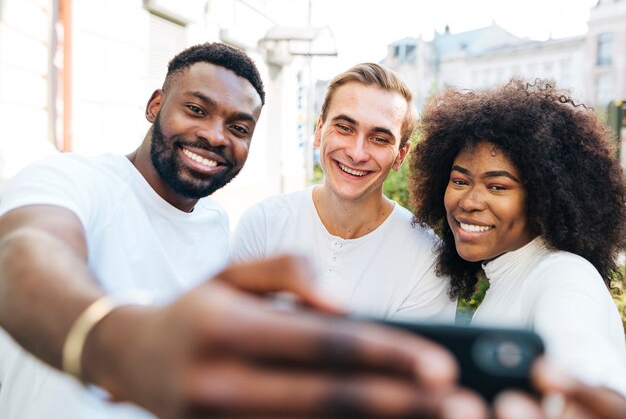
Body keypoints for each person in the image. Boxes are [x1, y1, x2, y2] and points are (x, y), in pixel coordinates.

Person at [0, 43, 488, 419]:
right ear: (155, 105)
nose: (215, 134)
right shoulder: (72, 179)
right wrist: (115, 344)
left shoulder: (216, 228)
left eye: (238, 126)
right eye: (196, 109)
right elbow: (24, 251)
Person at [409, 78, 626, 418]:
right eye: (460, 181)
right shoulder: (511, 274)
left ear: (544, 198)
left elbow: (586, 377)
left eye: (497, 186)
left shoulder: (563, 276)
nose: (470, 201)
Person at [230, 62, 456, 322]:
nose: (356, 153)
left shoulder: (427, 259)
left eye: (379, 138)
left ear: (400, 156)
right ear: (319, 130)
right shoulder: (263, 224)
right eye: (345, 128)